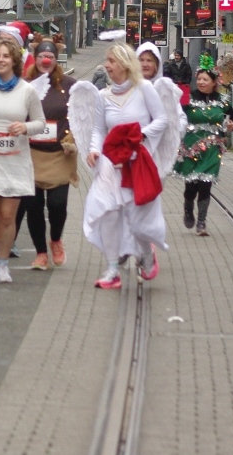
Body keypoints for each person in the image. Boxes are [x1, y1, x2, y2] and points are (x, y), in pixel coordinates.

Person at [69, 44, 170, 289]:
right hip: (111, 162)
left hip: (137, 162)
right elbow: (99, 129)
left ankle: (146, 253)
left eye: (111, 61)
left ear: (124, 64)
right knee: (109, 213)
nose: (107, 65)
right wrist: (94, 150)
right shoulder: (104, 96)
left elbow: (162, 120)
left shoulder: (144, 89)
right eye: (107, 60)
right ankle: (112, 268)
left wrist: (140, 136)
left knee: (137, 219)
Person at [0, 36, 46, 283]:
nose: (1, 60)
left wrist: (25, 127)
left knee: (7, 216)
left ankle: (2, 263)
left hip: (15, 159)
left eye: (6, 56)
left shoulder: (27, 91)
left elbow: (40, 123)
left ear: (14, 61)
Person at [15, 39, 78, 270]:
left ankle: (56, 240)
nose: (46, 60)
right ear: (36, 56)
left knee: (57, 204)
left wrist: (72, 138)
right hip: (30, 154)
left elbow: (80, 116)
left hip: (60, 154)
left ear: (55, 59)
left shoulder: (69, 85)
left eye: (50, 56)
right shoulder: (24, 84)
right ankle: (41, 253)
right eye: (42, 55)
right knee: (32, 206)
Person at [173, 64, 233, 236]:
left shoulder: (223, 101)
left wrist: (230, 126)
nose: (201, 82)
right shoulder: (189, 98)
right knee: (192, 185)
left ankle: (202, 222)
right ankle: (188, 208)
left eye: (205, 79)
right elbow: (176, 117)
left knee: (206, 184)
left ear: (214, 82)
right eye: (199, 79)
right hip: (191, 147)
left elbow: (232, 120)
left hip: (212, 148)